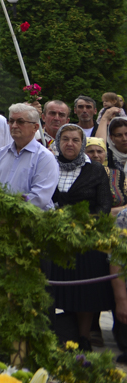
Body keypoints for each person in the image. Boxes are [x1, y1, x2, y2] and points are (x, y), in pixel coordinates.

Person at [47, 124, 113, 351]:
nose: (69, 144)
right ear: (57, 141)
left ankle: (84, 338)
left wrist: (81, 225)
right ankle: (55, 336)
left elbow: (104, 205)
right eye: (65, 139)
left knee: (85, 292)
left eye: (75, 140)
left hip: (86, 241)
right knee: (55, 289)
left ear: (82, 143)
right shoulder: (49, 165)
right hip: (54, 239)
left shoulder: (95, 170)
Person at [0, 103, 59, 211]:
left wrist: (7, 211)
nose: (14, 125)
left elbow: (38, 198)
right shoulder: (1, 153)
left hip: (31, 222)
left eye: (20, 122)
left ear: (35, 127)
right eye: (11, 121)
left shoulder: (45, 157)